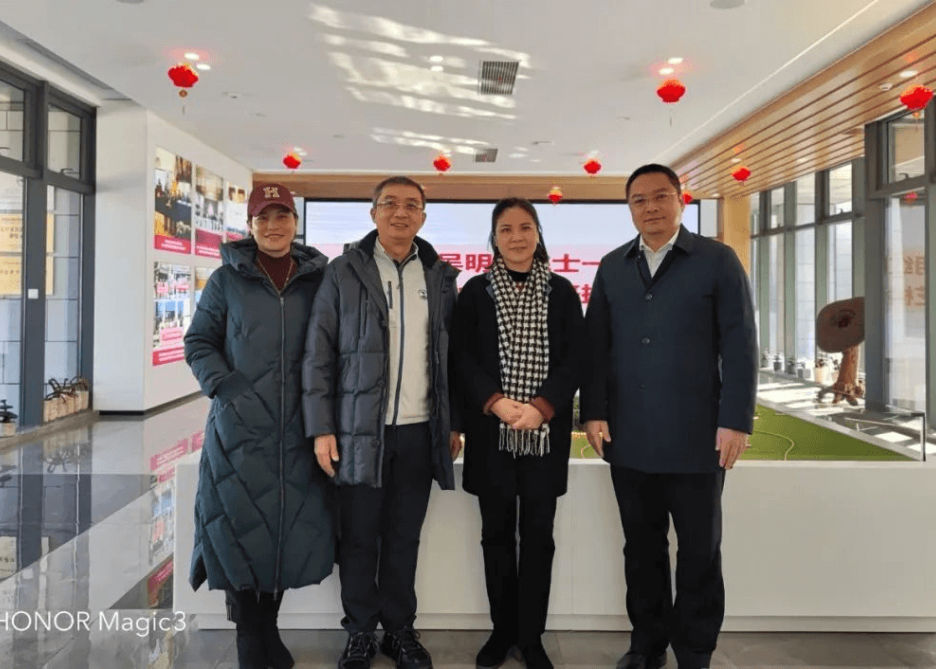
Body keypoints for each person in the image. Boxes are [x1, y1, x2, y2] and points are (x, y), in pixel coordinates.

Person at [581, 164, 758, 669]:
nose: (651, 207)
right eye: (639, 200)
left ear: (681, 201)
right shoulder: (613, 265)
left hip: (698, 438)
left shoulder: (717, 260)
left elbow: (740, 344)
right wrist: (593, 412)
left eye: (661, 197)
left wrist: (736, 420)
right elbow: (596, 347)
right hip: (629, 437)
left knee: (700, 552)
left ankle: (695, 652)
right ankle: (647, 645)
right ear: (629, 209)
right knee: (642, 550)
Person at [302, 176, 461, 669]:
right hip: (357, 432)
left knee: (403, 538)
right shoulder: (343, 271)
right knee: (358, 539)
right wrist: (321, 427)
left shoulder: (439, 276)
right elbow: (318, 353)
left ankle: (399, 630)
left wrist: (452, 424)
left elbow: (450, 358)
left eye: (412, 205)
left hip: (419, 431)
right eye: (389, 203)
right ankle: (359, 632)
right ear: (373, 213)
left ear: (423, 217)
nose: (400, 212)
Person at [184, 183, 336, 669]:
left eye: (282, 216)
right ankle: (252, 637)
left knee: (283, 533)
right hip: (239, 430)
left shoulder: (319, 278)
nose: (273, 226)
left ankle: (267, 631)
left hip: (299, 429)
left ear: (295, 222)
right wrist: (227, 389)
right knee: (236, 530)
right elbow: (199, 341)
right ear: (249, 226)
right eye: (263, 218)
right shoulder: (226, 280)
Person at [452, 198, 585, 669]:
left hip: (544, 436)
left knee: (539, 537)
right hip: (492, 433)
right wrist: (495, 401)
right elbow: (461, 357)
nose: (516, 237)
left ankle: (531, 637)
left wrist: (541, 407)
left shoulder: (561, 292)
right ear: (493, 238)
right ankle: (502, 631)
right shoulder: (475, 292)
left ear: (538, 233)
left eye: (525, 227)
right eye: (506, 229)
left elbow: (576, 358)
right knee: (495, 535)